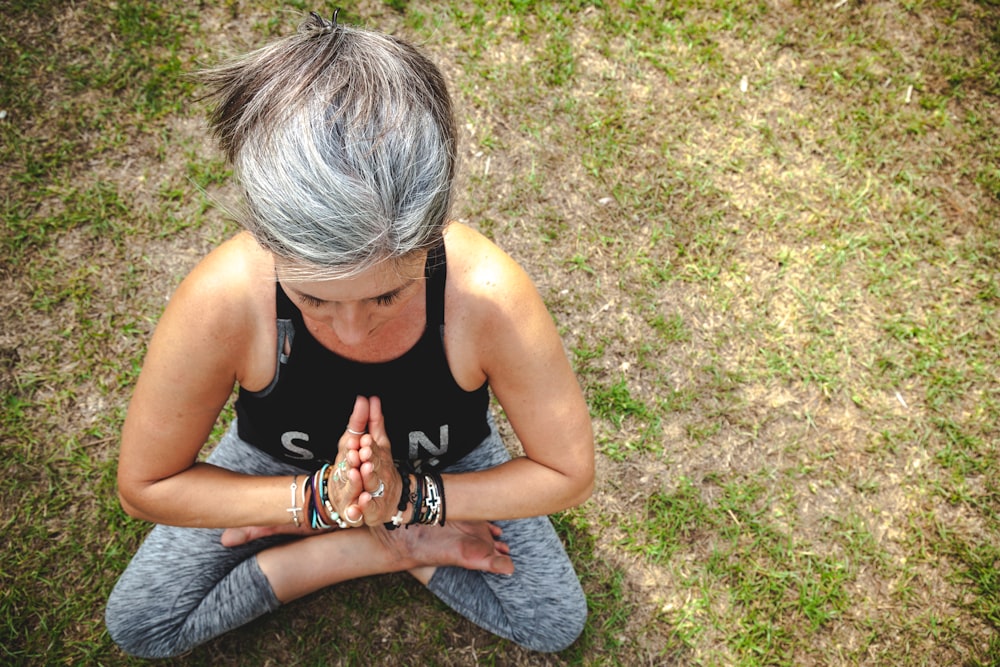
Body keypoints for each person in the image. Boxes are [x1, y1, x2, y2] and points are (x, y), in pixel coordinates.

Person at [104, 11, 594, 659]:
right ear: (269, 245)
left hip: (445, 461)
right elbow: (146, 485)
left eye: (386, 295)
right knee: (141, 623)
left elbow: (568, 471)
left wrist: (414, 496)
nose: (352, 326)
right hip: (282, 461)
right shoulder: (226, 298)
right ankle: (373, 548)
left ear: (432, 237)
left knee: (553, 619)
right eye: (312, 299)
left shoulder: (486, 294)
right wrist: (324, 507)